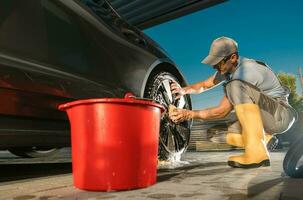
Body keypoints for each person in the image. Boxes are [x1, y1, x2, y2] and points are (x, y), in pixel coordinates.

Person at [169, 36, 297, 168]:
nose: (215, 67)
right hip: (268, 115)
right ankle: (264, 140)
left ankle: (257, 154)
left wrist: (188, 114)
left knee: (233, 86)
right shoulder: (229, 69)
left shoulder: (246, 72)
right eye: (214, 63)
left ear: (233, 57)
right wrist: (183, 90)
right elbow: (205, 85)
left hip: (280, 114)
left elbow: (221, 111)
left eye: (218, 62)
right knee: (222, 134)